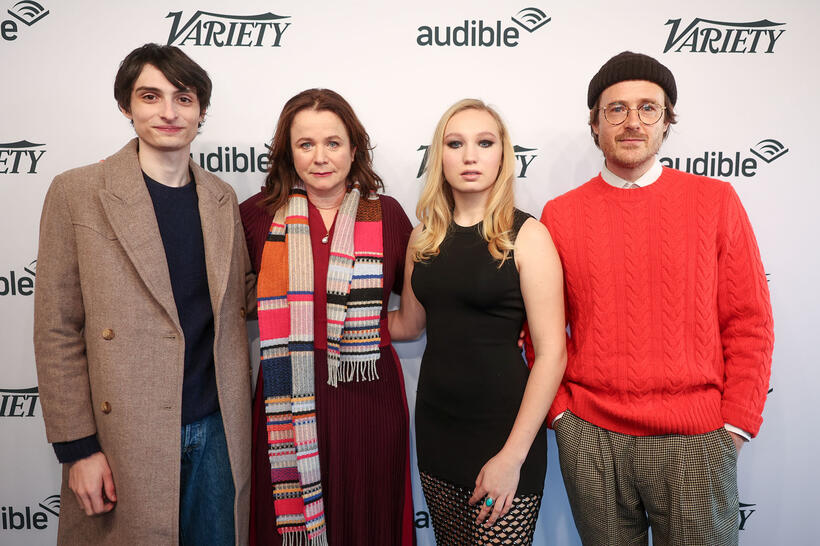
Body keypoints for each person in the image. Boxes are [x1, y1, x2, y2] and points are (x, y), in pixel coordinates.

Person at [536, 51, 774, 545]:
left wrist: (734, 426)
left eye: (648, 108)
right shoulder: (560, 215)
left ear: (667, 121)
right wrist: (561, 415)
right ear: (595, 123)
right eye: (615, 109)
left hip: (697, 440)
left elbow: (749, 320)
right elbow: (539, 331)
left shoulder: (716, 201)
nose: (631, 122)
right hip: (592, 438)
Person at [33, 44, 255, 545]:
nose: (169, 112)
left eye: (184, 97)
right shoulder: (77, 192)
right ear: (125, 106)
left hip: (217, 427)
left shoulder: (223, 199)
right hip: (124, 434)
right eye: (151, 96)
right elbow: (56, 327)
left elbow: (245, 297)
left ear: (202, 110)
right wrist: (78, 449)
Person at [240, 88, 415, 546]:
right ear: (287, 151)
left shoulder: (389, 216)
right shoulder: (255, 219)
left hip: (368, 391)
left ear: (354, 149)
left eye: (333, 143)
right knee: (285, 523)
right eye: (306, 144)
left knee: (369, 516)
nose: (321, 157)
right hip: (285, 391)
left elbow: (420, 312)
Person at [389, 99, 567, 544]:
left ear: (503, 156)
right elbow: (409, 324)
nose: (470, 156)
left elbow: (552, 354)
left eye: (484, 143)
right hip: (436, 430)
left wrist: (512, 456)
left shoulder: (528, 236)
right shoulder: (422, 237)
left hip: (503, 433)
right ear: (440, 156)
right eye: (456, 143)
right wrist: (329, 319)